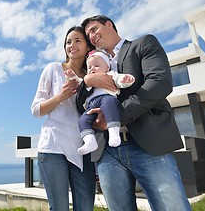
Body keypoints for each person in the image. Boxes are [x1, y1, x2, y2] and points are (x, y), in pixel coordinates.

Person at [79, 15, 192, 211]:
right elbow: (80, 101)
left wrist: (115, 117)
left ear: (109, 25)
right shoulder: (93, 65)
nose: (92, 36)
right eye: (89, 35)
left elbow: (159, 83)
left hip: (148, 145)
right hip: (107, 151)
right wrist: (88, 81)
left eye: (94, 29)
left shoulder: (143, 44)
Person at [30, 26, 96, 211]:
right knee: (59, 208)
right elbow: (36, 110)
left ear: (87, 45)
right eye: (68, 42)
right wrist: (61, 96)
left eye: (77, 41)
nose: (72, 45)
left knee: (85, 208)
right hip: (53, 148)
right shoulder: (53, 69)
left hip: (83, 150)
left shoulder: (91, 76)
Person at [64, 49, 135, 154]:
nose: (92, 69)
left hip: (106, 99)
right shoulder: (86, 80)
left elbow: (119, 80)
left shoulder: (110, 74)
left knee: (108, 103)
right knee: (83, 120)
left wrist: (125, 79)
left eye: (96, 66)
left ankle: (114, 132)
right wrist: (71, 77)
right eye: (89, 67)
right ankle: (89, 141)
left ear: (107, 67)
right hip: (91, 106)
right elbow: (78, 83)